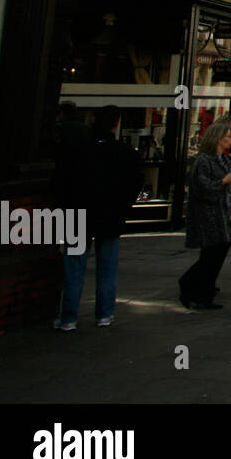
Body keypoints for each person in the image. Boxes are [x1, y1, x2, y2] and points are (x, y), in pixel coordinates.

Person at [52, 105, 142, 330]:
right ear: (116, 124)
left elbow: (62, 182)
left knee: (74, 267)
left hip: (78, 216)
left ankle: (69, 318)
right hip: (109, 216)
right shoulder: (123, 152)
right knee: (107, 267)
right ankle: (104, 314)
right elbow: (135, 183)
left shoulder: (76, 150)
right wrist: (123, 206)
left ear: (93, 120)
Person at [179, 115, 231, 310]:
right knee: (210, 257)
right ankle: (192, 286)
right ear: (218, 138)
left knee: (215, 256)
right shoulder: (204, 161)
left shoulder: (223, 159)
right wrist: (223, 182)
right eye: (229, 135)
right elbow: (201, 188)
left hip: (222, 214)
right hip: (208, 216)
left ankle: (203, 291)